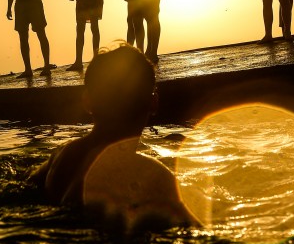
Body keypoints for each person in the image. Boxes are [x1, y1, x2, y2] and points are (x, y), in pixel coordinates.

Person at [28, 44, 199, 233]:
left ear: (87, 102)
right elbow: (197, 230)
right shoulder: (152, 175)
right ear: (153, 103)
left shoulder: (60, 157)